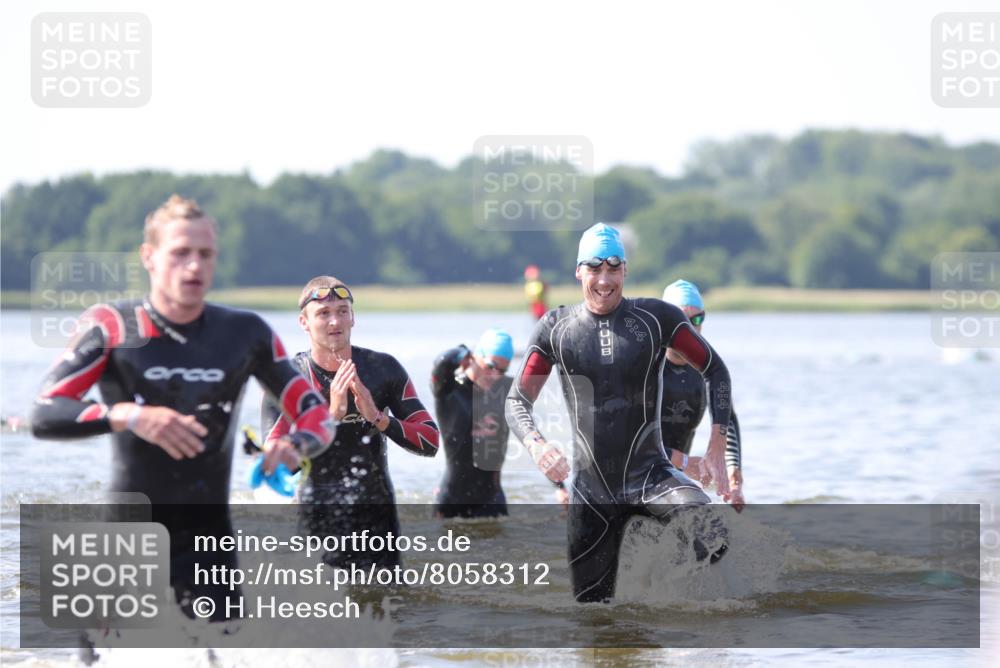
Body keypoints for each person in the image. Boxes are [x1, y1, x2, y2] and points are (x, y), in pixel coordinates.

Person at [31, 195, 335, 621]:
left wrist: (294, 446)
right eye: (180, 253)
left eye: (205, 254)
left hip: (208, 549)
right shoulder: (112, 324)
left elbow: (318, 416)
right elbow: (46, 411)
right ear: (150, 257)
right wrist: (130, 415)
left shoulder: (246, 332)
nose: (194, 266)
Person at [505, 223, 733, 603]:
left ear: (625, 271)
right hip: (591, 492)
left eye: (614, 269)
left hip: (650, 477)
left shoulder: (656, 318)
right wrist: (537, 445)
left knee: (712, 535)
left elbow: (716, 370)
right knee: (593, 619)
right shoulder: (555, 329)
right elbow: (516, 401)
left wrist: (716, 447)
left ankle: (666, 598)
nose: (605, 280)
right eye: (595, 269)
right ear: (579, 271)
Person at [261, 276, 440, 569]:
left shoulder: (383, 369)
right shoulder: (288, 380)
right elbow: (272, 468)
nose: (335, 322)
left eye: (343, 311)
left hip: (378, 519)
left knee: (389, 606)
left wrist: (378, 419)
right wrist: (329, 417)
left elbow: (431, 442)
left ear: (353, 317)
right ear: (304, 322)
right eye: (323, 314)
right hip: (318, 519)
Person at [660, 280, 744, 510]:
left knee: (714, 535)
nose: (689, 328)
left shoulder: (708, 369)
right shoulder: (646, 367)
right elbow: (631, 436)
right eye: (681, 319)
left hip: (675, 480)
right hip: (636, 474)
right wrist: (685, 462)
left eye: (696, 320)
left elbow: (727, 421)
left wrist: (734, 478)